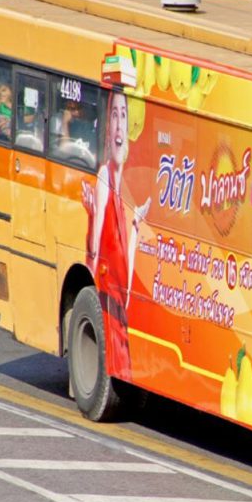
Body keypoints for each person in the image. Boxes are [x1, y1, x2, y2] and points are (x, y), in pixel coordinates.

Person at [85, 90, 150, 381]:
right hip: (109, 311)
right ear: (108, 128)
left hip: (120, 314)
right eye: (114, 115)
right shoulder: (104, 178)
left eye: (124, 115)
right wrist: (90, 215)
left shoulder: (124, 189)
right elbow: (94, 254)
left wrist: (136, 226)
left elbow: (127, 280)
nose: (120, 124)